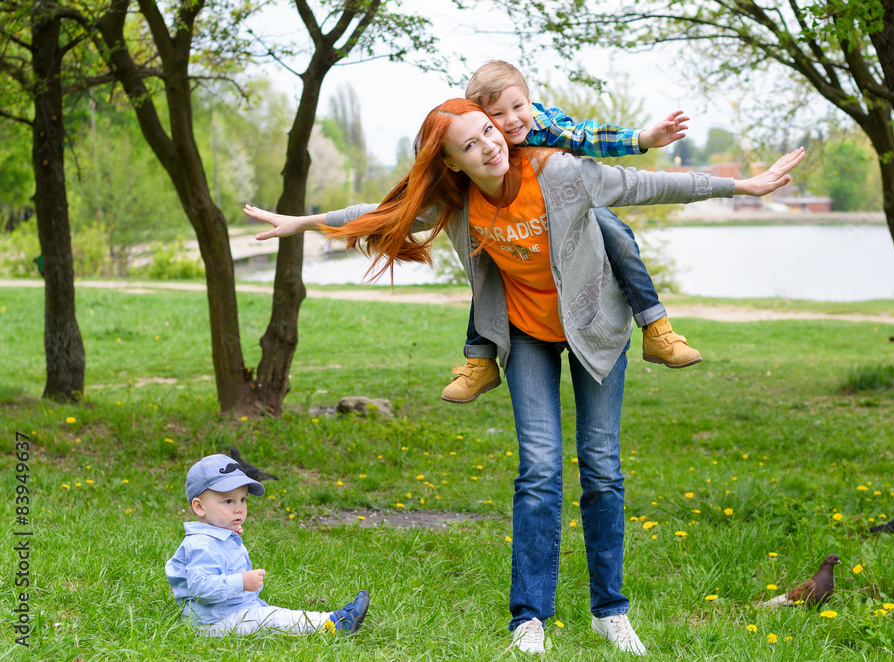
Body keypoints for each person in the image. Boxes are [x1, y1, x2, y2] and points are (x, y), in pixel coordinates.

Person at [244, 99, 803, 655]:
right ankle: (529, 618)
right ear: (454, 165)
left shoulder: (558, 173)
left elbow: (645, 186)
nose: (489, 145)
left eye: (489, 131)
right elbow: (382, 213)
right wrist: (305, 222)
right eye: (470, 144)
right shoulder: (457, 201)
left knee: (602, 465)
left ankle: (610, 611)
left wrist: (744, 188)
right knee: (539, 469)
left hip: (595, 329)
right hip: (526, 336)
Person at [442, 60, 700, 405]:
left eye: (519, 106)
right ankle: (480, 357)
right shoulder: (482, 143)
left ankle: (655, 326)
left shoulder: (544, 126)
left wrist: (644, 139)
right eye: (497, 115)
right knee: (489, 263)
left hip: (571, 208)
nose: (512, 120)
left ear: (529, 101)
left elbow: (588, 137)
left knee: (617, 232)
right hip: (518, 223)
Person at [165, 454, 370, 636]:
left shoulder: (216, 536)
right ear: (199, 507)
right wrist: (241, 582)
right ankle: (333, 624)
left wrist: (227, 535)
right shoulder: (202, 545)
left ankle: (329, 621)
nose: (239, 509)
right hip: (212, 622)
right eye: (228, 501)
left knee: (271, 616)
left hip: (228, 611)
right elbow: (200, 587)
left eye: (243, 499)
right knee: (271, 618)